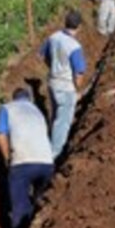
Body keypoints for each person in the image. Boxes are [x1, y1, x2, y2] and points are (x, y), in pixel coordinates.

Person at [0, 87, 56, 228]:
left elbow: (1, 137)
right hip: (47, 163)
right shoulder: (37, 111)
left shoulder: (7, 108)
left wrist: (7, 159)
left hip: (22, 163)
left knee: (20, 206)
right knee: (41, 200)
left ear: (13, 98)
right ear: (29, 99)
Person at [40, 10, 86, 159]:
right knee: (63, 123)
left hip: (52, 82)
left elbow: (43, 56)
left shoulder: (53, 37)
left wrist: (53, 67)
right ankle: (54, 155)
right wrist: (77, 91)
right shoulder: (74, 46)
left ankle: (49, 145)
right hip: (65, 88)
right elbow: (79, 73)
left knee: (55, 116)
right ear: (79, 26)